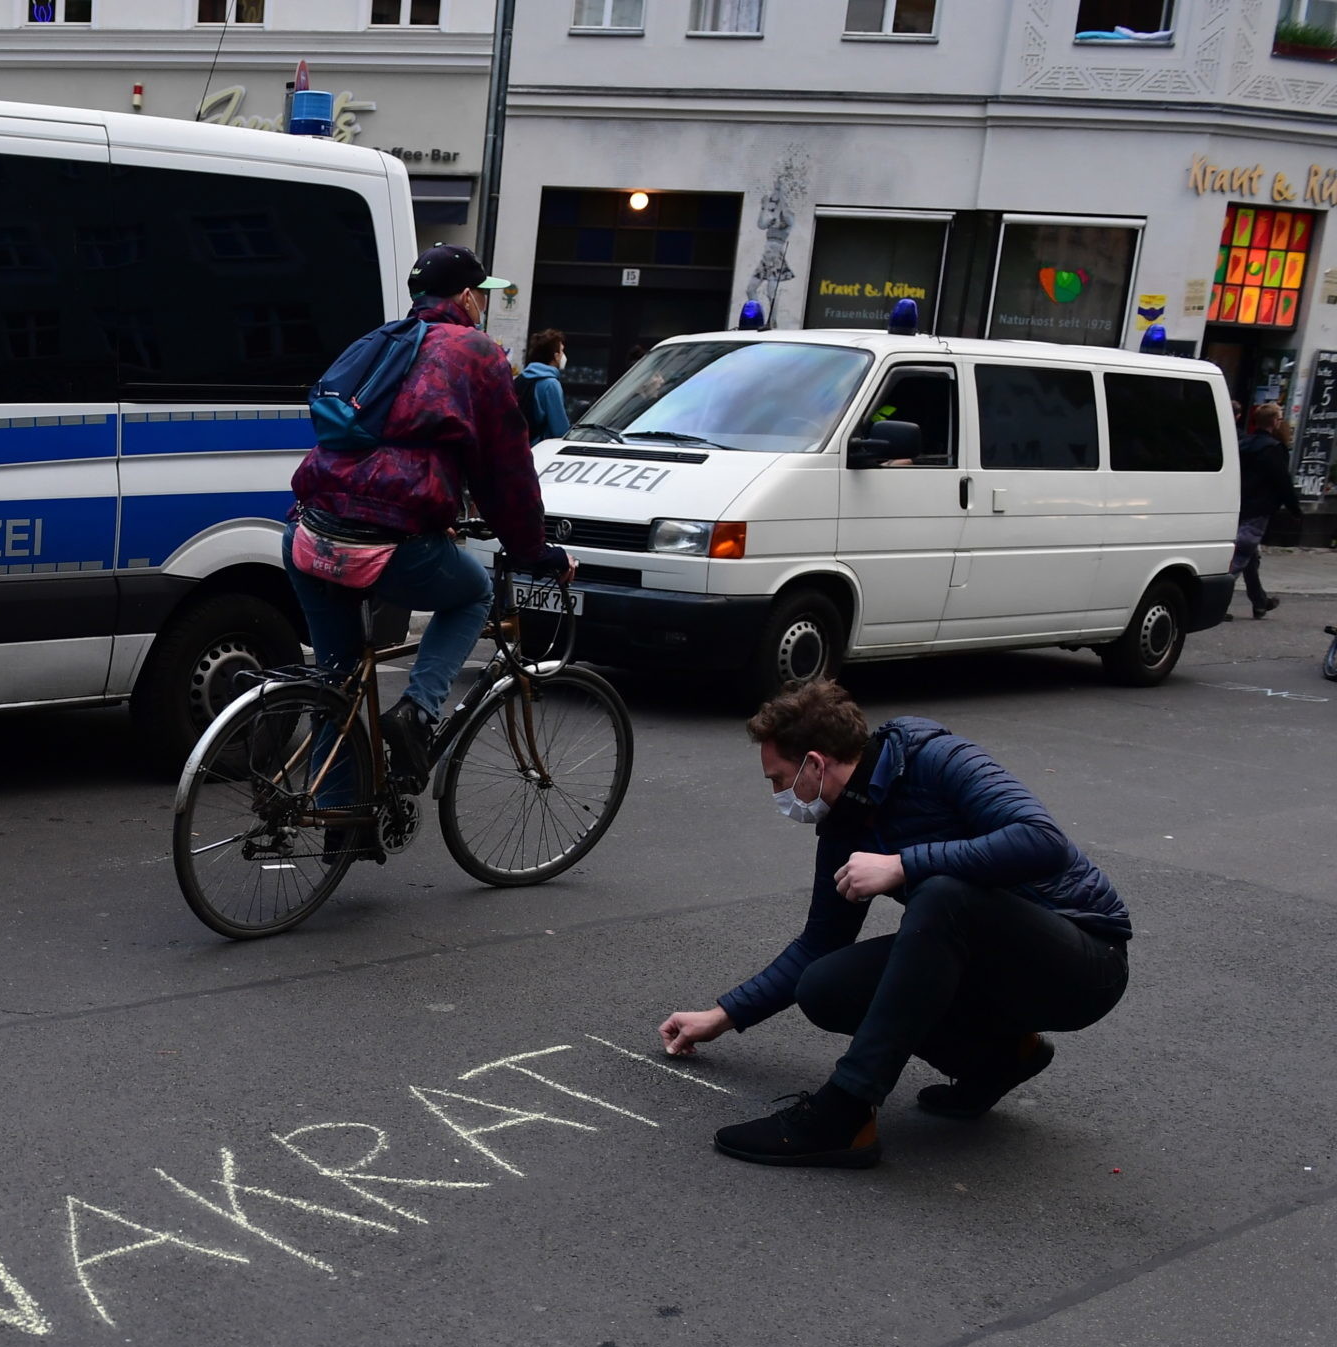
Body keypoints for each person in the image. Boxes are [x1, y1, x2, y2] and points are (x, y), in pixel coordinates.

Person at [659, 681, 1132, 1168]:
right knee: (823, 986)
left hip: (1084, 961)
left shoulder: (936, 758)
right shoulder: (847, 822)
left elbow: (1041, 841)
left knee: (943, 894)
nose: (780, 795)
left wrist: (905, 864)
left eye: (780, 780)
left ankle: (845, 1114)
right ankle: (1000, 1058)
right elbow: (819, 944)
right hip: (992, 969)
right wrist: (722, 1016)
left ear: (816, 764)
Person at [286, 242, 572, 792]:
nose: (483, 308)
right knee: (473, 594)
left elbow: (362, 446)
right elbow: (504, 470)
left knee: (337, 681)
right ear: (466, 296)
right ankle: (416, 712)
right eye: (481, 297)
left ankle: (338, 815)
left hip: (309, 527)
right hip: (386, 542)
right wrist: (533, 552)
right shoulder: (475, 351)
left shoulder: (379, 342)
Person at [1233, 401, 1298, 619]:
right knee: (1241, 553)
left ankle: (1260, 602)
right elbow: (1282, 481)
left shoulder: (1245, 443)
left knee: (1250, 556)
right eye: (1279, 418)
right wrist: (1295, 509)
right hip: (1258, 508)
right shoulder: (1272, 449)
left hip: (1238, 504)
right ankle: (1214, 601)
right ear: (1274, 422)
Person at [518, 328, 570, 444]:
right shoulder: (550, 384)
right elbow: (559, 429)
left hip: (518, 446)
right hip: (538, 448)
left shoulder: (522, 377)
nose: (563, 356)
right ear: (556, 356)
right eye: (561, 351)